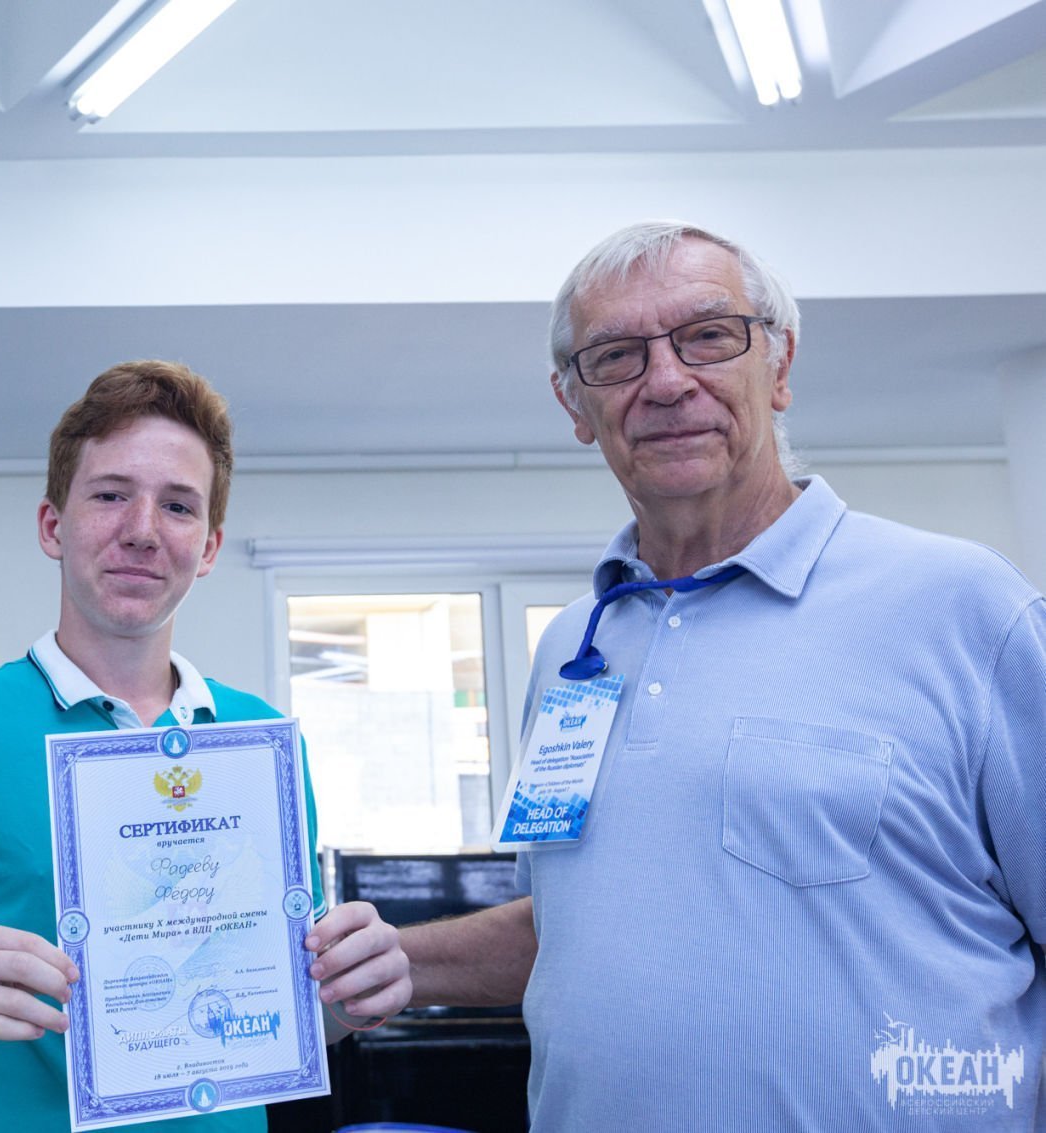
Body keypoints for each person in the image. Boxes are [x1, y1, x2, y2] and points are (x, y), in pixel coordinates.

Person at [401, 221, 1045, 1130]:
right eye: (615, 356)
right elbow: (571, 925)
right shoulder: (573, 645)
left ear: (779, 365)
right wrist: (392, 959)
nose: (666, 381)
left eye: (708, 335)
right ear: (575, 405)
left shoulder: (964, 608)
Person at [0, 360, 412, 1132]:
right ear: (53, 525)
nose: (143, 530)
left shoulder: (260, 744)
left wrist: (353, 996)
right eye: (111, 494)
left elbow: (292, 1013)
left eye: (177, 505)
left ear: (209, 546)